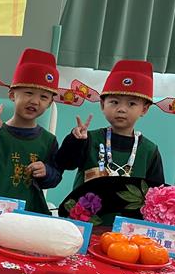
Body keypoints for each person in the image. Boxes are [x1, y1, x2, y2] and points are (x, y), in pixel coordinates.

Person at [0, 49, 63, 214]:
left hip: (26, 213)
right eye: (28, 93)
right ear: (12, 95)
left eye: (43, 97)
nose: (35, 101)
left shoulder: (49, 141)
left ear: (50, 103)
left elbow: (54, 179)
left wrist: (46, 172)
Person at [55, 59, 165, 188]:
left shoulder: (149, 151)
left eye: (131, 104)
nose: (121, 109)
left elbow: (157, 191)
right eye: (114, 102)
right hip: (85, 202)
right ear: (102, 105)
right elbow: (65, 163)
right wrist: (75, 140)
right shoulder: (89, 139)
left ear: (144, 109)